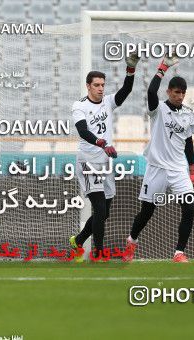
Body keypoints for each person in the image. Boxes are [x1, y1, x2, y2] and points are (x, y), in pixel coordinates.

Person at [122, 54, 194, 263]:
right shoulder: (158, 110)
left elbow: (188, 142)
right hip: (156, 167)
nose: (180, 96)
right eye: (176, 92)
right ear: (169, 91)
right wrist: (162, 67)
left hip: (179, 168)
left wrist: (192, 168)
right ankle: (131, 241)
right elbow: (150, 91)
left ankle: (179, 252)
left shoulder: (189, 114)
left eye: (183, 93)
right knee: (147, 211)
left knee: (189, 207)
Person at [69, 53, 140, 260]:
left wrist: (131, 69)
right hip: (88, 162)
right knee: (99, 207)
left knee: (105, 212)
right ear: (88, 86)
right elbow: (83, 131)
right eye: (97, 85)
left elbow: (125, 91)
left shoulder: (108, 102)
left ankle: (78, 241)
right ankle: (98, 253)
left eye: (103, 84)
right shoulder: (79, 106)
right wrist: (102, 143)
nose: (101, 88)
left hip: (105, 162)